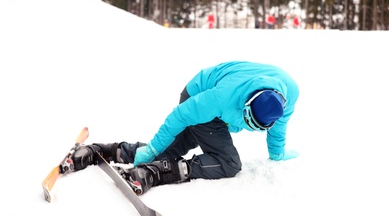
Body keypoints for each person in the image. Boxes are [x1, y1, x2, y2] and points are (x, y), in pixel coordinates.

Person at [72, 61, 300, 194]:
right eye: (246, 117)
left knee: (172, 150)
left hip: (216, 109)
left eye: (255, 126)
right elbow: (180, 116)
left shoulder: (287, 96)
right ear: (248, 102)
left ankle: (110, 150)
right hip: (197, 95)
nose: (247, 124)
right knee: (229, 163)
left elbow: (278, 130)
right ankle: (156, 171)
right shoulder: (222, 97)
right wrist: (151, 150)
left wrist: (278, 154)